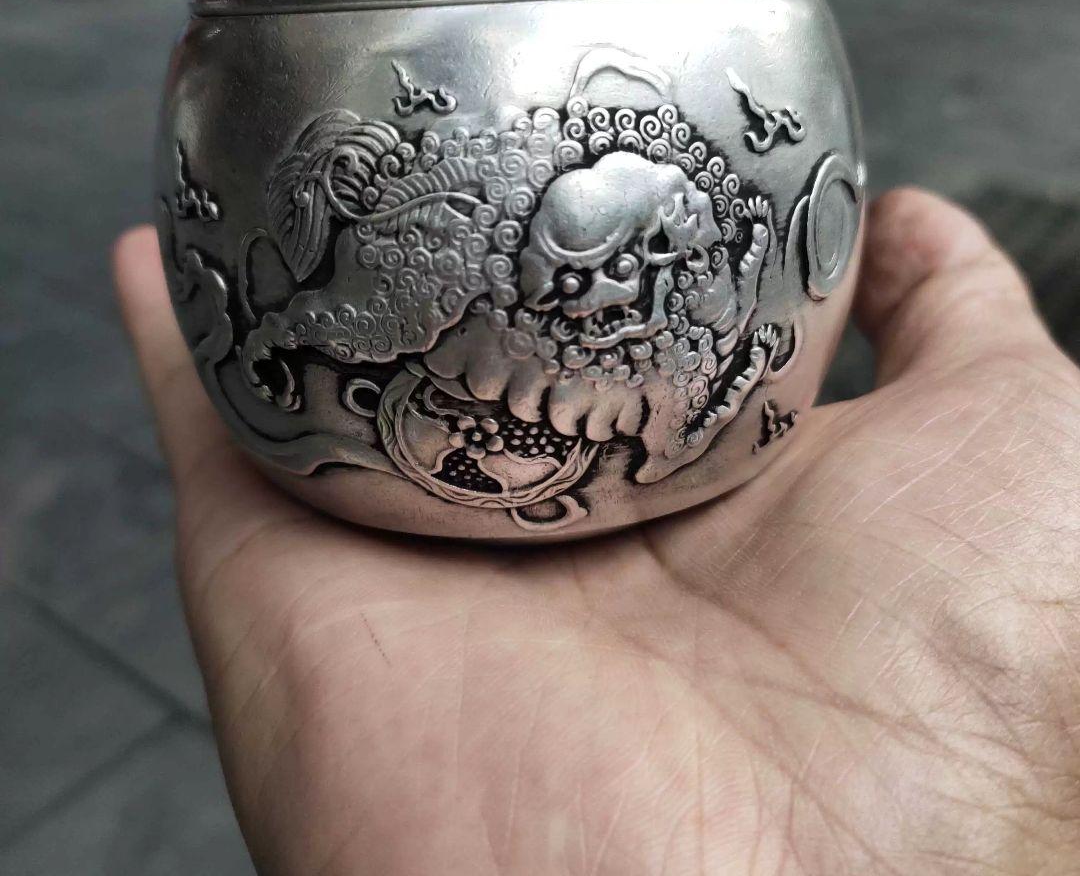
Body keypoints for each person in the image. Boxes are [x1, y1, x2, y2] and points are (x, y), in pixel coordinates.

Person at [114, 189, 1080, 875]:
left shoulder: (679, 315)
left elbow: (668, 430)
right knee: (354, 321)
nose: (614, 294)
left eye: (637, 269)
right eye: (593, 274)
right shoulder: (480, 284)